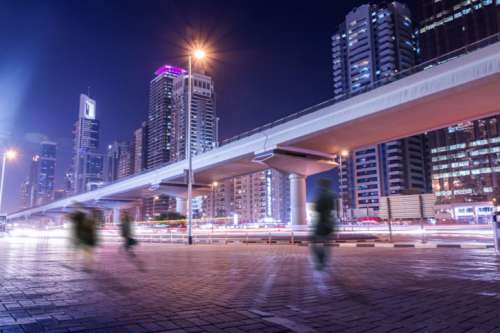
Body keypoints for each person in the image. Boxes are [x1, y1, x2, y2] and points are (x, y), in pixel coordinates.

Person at [311, 178, 338, 272]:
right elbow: (334, 209)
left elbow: (317, 208)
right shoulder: (332, 194)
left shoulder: (322, 195)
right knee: (326, 243)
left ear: (323, 185)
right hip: (329, 222)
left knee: (314, 242)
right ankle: (324, 261)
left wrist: (315, 203)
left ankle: (321, 260)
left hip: (321, 222)